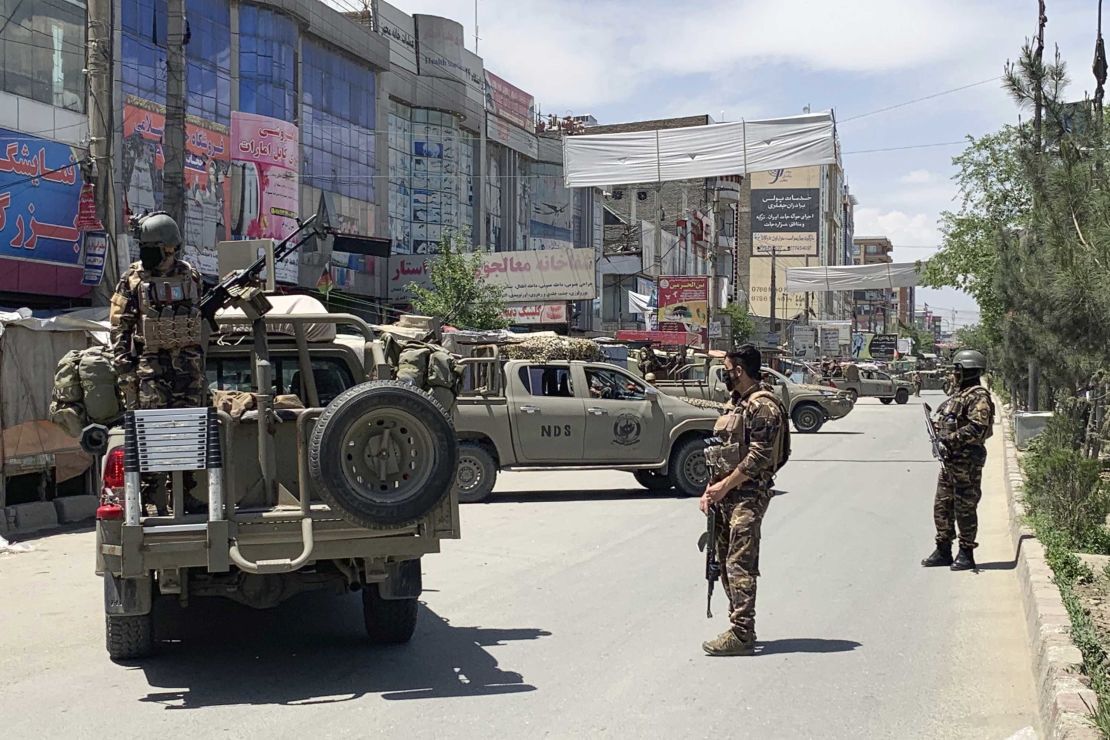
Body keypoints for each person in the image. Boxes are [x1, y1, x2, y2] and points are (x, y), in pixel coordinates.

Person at [109, 211, 207, 514]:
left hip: (187, 368)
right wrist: (124, 366)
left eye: (150, 246)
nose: (144, 252)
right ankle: (153, 498)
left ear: (169, 247)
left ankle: (184, 492)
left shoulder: (191, 276)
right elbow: (119, 324)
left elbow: (199, 318)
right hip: (151, 368)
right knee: (152, 432)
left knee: (189, 432)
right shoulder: (133, 278)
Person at [699, 344, 786, 656]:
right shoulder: (737, 402)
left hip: (748, 494)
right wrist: (711, 490)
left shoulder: (764, 407)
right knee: (723, 562)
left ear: (739, 369)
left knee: (740, 563)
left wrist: (724, 486)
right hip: (726, 493)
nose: (724, 374)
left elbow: (759, 458)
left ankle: (742, 633)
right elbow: (723, 449)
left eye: (727, 368)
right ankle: (738, 626)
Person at [921, 349, 995, 571]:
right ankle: (943, 549)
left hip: (967, 463)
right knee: (943, 506)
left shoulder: (979, 397)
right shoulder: (960, 395)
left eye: (956, 370)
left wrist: (950, 440)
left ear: (965, 371)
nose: (953, 374)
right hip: (950, 462)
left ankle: (966, 552)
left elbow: (977, 428)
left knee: (965, 507)